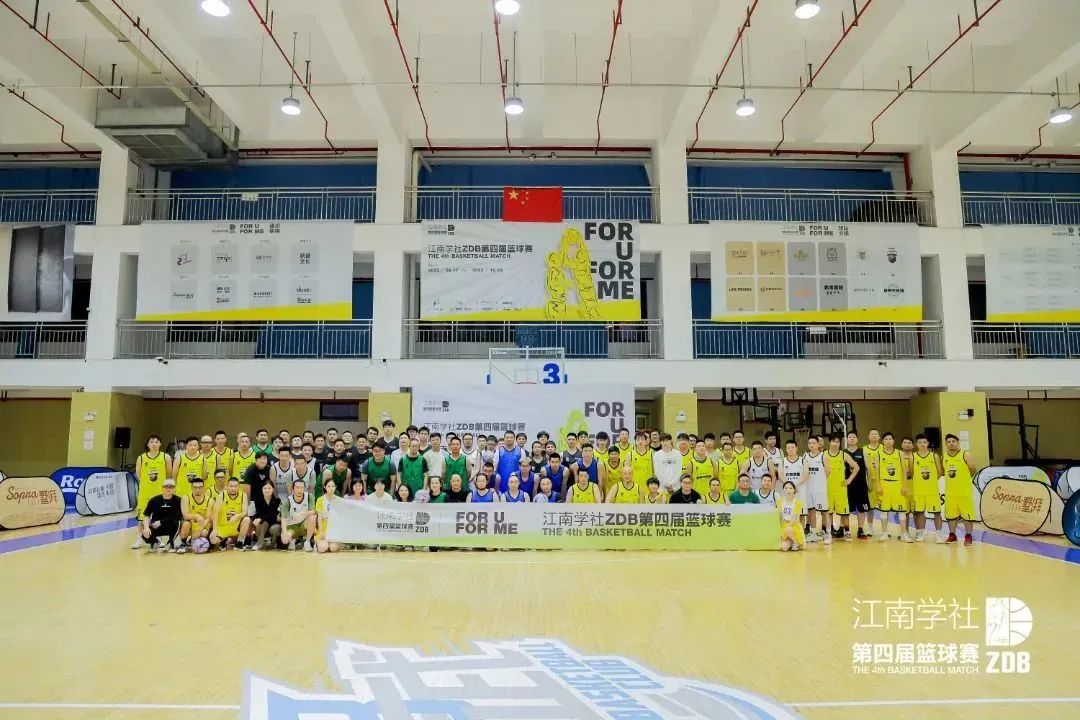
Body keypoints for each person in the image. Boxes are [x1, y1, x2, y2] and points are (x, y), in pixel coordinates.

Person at [133, 434, 171, 549]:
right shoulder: (141, 458)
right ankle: (140, 538)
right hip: (145, 493)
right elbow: (139, 475)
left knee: (158, 517)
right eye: (151, 442)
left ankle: (158, 538)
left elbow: (168, 474)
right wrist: (146, 484)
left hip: (159, 493)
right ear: (148, 444)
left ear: (160, 444)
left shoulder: (165, 457)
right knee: (141, 518)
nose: (154, 444)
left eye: (156, 441)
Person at [942, 433, 977, 546]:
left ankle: (968, 536)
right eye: (949, 442)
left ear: (957, 442)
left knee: (967, 516)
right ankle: (952, 535)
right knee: (951, 516)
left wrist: (965, 479)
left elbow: (973, 469)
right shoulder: (944, 456)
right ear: (946, 444)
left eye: (953, 441)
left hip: (964, 492)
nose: (951, 443)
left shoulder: (965, 454)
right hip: (950, 493)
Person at [876, 432, 911, 542]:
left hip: (897, 485)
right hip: (884, 485)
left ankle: (904, 534)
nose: (888, 441)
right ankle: (884, 533)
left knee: (901, 510)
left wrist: (905, 485)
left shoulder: (899, 453)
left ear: (893, 441)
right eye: (886, 439)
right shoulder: (879, 454)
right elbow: (876, 471)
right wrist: (878, 485)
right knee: (884, 510)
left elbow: (904, 471)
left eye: (890, 439)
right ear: (883, 441)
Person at [825, 434, 860, 541]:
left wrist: (849, 480)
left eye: (838, 442)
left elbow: (856, 467)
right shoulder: (824, 455)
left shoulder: (844, 455)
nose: (835, 444)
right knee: (828, 512)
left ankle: (847, 532)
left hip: (841, 488)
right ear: (829, 442)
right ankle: (829, 532)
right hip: (828, 488)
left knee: (844, 513)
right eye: (833, 441)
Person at [911, 434, 945, 543]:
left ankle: (939, 534)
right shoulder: (913, 456)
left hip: (932, 490)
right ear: (916, 444)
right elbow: (911, 473)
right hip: (918, 490)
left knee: (937, 512)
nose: (922, 444)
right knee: (920, 512)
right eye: (920, 442)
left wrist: (930, 482)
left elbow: (940, 472)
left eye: (924, 442)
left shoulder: (934, 456)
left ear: (928, 444)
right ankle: (921, 533)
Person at [140, 477, 183, 553]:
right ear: (162, 488)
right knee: (144, 532)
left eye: (171, 487)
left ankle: (170, 542)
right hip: (156, 526)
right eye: (166, 486)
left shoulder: (178, 500)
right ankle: (155, 542)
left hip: (171, 525)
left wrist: (161, 522)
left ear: (174, 488)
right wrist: (146, 528)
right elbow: (146, 516)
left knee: (178, 522)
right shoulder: (154, 500)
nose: (168, 489)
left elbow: (177, 516)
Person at [210, 477, 250, 551]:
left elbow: (245, 512)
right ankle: (223, 539)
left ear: (239, 487)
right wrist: (214, 529)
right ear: (227, 487)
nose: (233, 488)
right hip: (223, 527)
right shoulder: (222, 495)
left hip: (236, 527)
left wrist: (237, 516)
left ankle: (239, 543)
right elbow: (215, 513)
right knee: (213, 540)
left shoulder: (243, 495)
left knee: (247, 519)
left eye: (235, 486)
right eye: (231, 486)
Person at [844, 432, 872, 539]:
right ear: (847, 439)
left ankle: (860, 529)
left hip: (861, 485)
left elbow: (868, 469)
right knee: (846, 509)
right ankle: (846, 530)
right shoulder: (843, 453)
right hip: (847, 485)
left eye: (854, 437)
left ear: (857, 439)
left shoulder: (863, 451)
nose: (851, 438)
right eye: (849, 437)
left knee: (861, 509)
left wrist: (869, 483)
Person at [802, 436, 829, 544]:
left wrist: (820, 482)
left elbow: (828, 472)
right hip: (809, 488)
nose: (811, 445)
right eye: (809, 443)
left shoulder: (823, 456)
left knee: (825, 511)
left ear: (818, 444)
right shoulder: (805, 456)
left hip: (820, 489)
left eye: (813, 443)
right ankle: (813, 533)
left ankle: (828, 534)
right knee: (811, 511)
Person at [178, 477, 213, 553]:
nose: (197, 489)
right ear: (191, 487)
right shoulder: (186, 498)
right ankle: (183, 543)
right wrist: (196, 516)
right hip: (190, 525)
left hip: (202, 525)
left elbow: (208, 518)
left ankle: (193, 541)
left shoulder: (209, 500)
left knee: (203, 533)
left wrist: (199, 531)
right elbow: (185, 515)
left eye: (200, 487)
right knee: (186, 524)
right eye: (195, 487)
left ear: (203, 488)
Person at [780, 439, 808, 533]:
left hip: (800, 490)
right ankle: (786, 532)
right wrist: (789, 487)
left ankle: (801, 533)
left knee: (801, 513)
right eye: (788, 448)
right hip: (787, 492)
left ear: (796, 448)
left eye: (792, 447)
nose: (791, 449)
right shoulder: (782, 461)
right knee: (786, 514)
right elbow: (780, 475)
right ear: (786, 449)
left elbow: (806, 475)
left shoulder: (803, 460)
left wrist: (795, 486)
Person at [281, 479, 316, 551]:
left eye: (301, 487)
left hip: (303, 524)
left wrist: (301, 514)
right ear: (293, 489)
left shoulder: (309, 496)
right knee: (285, 540)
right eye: (297, 487)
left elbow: (313, 511)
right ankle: (292, 539)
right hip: (292, 526)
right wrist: (284, 532)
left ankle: (307, 542)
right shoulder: (287, 501)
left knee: (312, 518)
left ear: (304, 489)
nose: (299, 490)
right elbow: (283, 519)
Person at [248, 479, 282, 551]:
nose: (267, 490)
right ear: (262, 489)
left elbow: (274, 515)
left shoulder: (277, 501)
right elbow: (258, 514)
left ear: (273, 489)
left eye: (269, 488)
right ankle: (260, 542)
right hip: (263, 524)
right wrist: (259, 519)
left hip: (274, 523)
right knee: (263, 523)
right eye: (265, 488)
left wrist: (261, 518)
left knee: (270, 526)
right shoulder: (258, 501)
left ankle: (271, 542)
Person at [315, 478, 343, 553]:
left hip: (334, 527)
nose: (331, 488)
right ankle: (322, 544)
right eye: (329, 486)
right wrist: (321, 531)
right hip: (324, 526)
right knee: (322, 548)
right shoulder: (320, 500)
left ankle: (333, 545)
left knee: (333, 548)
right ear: (325, 487)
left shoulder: (339, 500)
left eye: (333, 486)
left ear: (335, 487)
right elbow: (319, 518)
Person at [779, 480, 805, 551]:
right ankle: (790, 542)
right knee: (784, 548)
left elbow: (795, 518)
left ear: (794, 490)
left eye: (790, 488)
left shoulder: (798, 502)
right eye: (786, 488)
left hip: (794, 526)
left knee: (788, 529)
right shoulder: (780, 501)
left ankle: (796, 542)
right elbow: (780, 516)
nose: (788, 490)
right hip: (784, 524)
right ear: (783, 490)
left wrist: (786, 527)